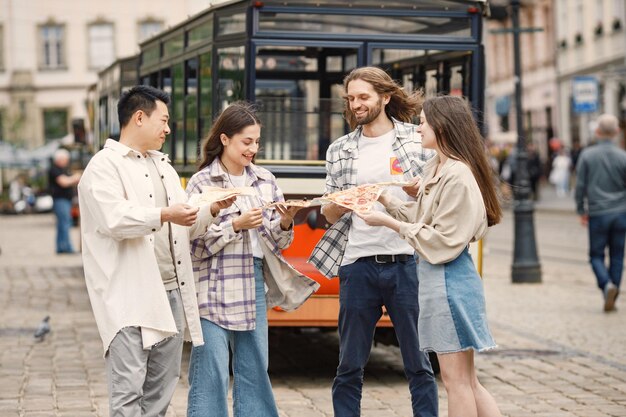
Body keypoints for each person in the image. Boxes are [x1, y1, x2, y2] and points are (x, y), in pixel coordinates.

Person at [78, 85, 230, 417]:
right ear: (139, 117)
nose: (168, 128)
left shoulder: (164, 167)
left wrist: (212, 210)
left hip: (172, 291)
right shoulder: (103, 167)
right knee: (129, 390)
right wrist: (164, 214)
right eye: (164, 120)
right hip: (128, 294)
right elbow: (115, 219)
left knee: (161, 390)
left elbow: (182, 227)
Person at [358, 95, 503, 417]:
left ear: (442, 126)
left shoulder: (457, 175)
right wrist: (386, 199)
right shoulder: (438, 166)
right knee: (468, 380)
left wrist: (388, 222)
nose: (418, 127)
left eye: (423, 121)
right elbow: (424, 219)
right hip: (444, 281)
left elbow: (442, 241)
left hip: (449, 283)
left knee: (457, 383)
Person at [309, 66, 438, 417]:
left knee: (419, 362)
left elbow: (437, 202)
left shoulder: (418, 140)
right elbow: (330, 216)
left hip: (407, 262)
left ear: (385, 97)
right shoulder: (340, 149)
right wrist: (340, 201)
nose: (356, 105)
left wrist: (418, 192)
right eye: (351, 98)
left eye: (363, 97)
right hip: (357, 264)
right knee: (349, 365)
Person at [185, 102, 319, 417]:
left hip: (252, 280)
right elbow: (195, 246)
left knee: (255, 368)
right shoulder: (202, 183)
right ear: (225, 139)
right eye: (247, 141)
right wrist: (235, 225)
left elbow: (276, 242)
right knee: (210, 370)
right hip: (211, 283)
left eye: (257, 142)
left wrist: (287, 222)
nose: (253, 148)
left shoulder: (264, 179)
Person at [575, 113, 626, 312]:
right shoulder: (623, 156)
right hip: (621, 213)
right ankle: (614, 288)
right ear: (617, 132)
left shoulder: (587, 155)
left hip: (597, 213)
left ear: (597, 132)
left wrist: (581, 209)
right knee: (617, 255)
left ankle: (606, 285)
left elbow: (580, 186)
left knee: (596, 255)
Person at [49, 148, 81, 253]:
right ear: (60, 159)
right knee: (65, 223)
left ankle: (61, 247)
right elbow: (64, 182)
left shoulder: (63, 169)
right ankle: (66, 247)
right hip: (60, 200)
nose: (67, 161)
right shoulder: (55, 169)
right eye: (66, 159)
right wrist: (76, 177)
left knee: (62, 224)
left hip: (65, 200)